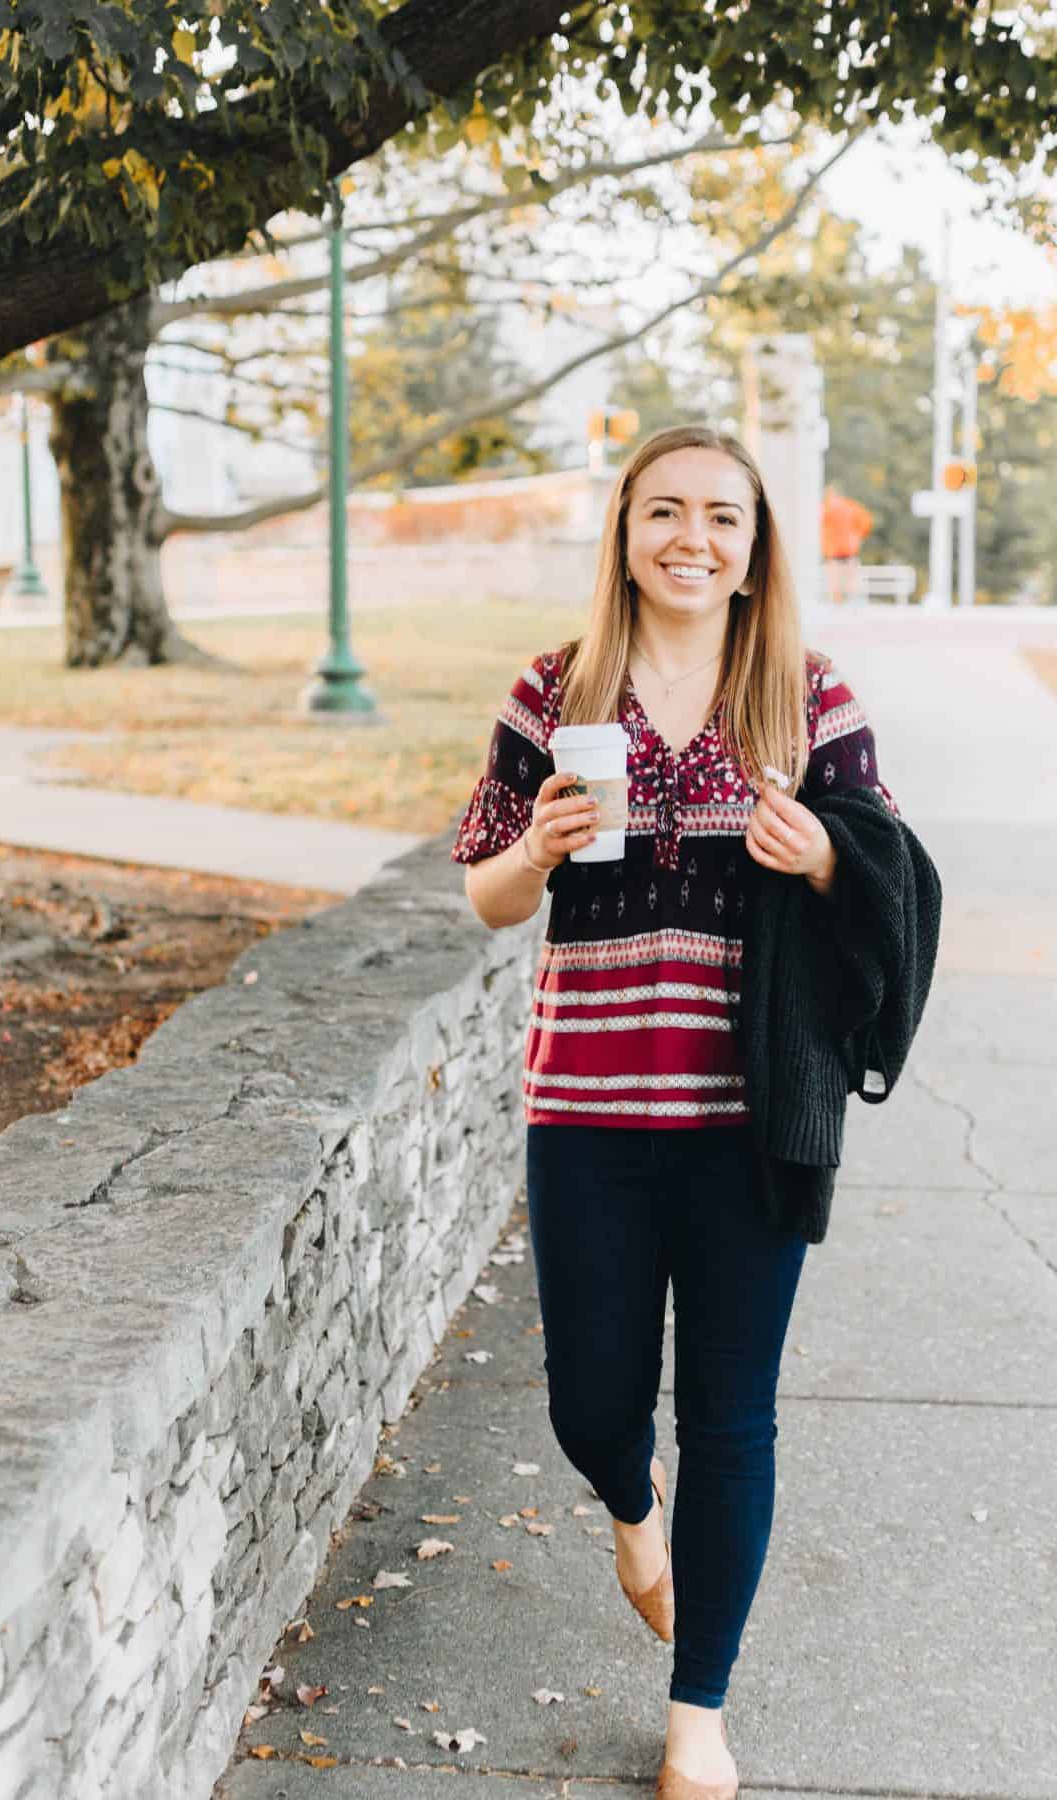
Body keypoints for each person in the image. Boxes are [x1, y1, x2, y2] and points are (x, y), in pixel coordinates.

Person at [450, 424, 932, 1800]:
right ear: (624, 531)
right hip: (586, 1112)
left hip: (749, 1121)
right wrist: (532, 851)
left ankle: (698, 1712)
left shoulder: (804, 694)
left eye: (722, 517)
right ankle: (630, 1508)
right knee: (593, 1404)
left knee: (732, 1415)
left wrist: (828, 852)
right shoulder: (555, 690)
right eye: (664, 511)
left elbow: (891, 880)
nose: (693, 538)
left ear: (755, 544)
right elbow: (479, 889)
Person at [821, 484, 873, 604]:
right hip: (850, 549)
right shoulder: (851, 506)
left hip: (833, 550)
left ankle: (837, 603)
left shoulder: (826, 508)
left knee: (834, 578)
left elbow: (819, 524)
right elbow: (866, 521)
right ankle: (851, 602)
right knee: (851, 578)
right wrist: (859, 536)